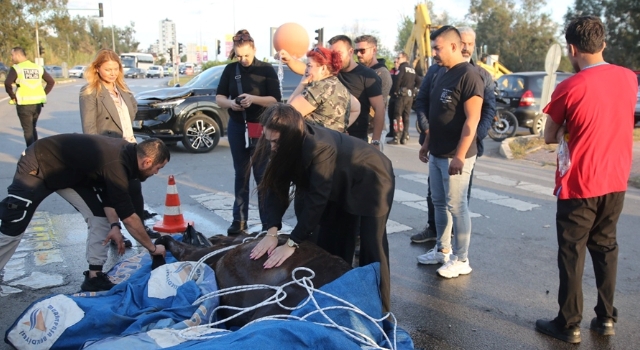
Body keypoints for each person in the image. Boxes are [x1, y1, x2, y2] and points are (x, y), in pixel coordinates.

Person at [534, 16, 637, 344]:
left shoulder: (569, 87)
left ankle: (569, 323)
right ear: (603, 44)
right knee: (606, 248)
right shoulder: (628, 78)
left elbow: (550, 136)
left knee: (572, 253)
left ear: (572, 48)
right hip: (616, 180)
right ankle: (606, 318)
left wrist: (565, 128)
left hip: (580, 183)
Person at [248, 103, 394, 313]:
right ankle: (337, 301)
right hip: (338, 181)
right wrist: (271, 231)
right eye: (268, 140)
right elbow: (274, 188)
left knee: (373, 247)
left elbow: (317, 199)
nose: (271, 147)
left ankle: (381, 311)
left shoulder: (319, 147)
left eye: (275, 142)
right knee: (330, 243)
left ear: (290, 137)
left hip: (371, 178)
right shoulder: (279, 142)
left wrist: (292, 242)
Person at [0, 135, 169, 291]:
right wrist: (152, 248)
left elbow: (110, 197)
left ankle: (94, 278)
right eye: (158, 167)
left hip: (69, 175)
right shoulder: (117, 164)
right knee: (14, 221)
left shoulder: (128, 158)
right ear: (147, 162)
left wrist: (114, 226)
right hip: (39, 163)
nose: (157, 173)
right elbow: (130, 219)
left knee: (99, 218)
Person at [411, 26, 495, 243]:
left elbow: (477, 116)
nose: (434, 53)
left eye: (437, 48)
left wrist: (465, 148)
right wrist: (428, 138)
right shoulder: (439, 72)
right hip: (437, 149)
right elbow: (428, 105)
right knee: (438, 201)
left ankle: (460, 257)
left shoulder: (474, 75)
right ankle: (442, 248)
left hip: (459, 150)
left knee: (457, 205)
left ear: (454, 46)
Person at [79, 49, 161, 248]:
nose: (112, 73)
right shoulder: (90, 92)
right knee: (112, 194)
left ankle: (140, 226)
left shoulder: (123, 89)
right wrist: (96, 155)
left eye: (116, 69)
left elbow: (130, 117)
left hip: (129, 146)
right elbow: (89, 128)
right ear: (97, 69)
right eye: (108, 69)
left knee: (135, 188)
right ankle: (115, 232)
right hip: (107, 149)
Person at [216, 29, 281, 235]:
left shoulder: (266, 70)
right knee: (240, 174)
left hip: (261, 127)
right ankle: (239, 220)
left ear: (254, 49)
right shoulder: (230, 70)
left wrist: (253, 99)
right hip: (238, 126)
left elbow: (275, 99)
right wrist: (232, 104)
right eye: (239, 56)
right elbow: (219, 99)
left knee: (262, 176)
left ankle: (266, 223)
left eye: (246, 55)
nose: (243, 60)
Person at [278, 35, 385, 148]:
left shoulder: (366, 75)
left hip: (353, 139)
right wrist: (289, 60)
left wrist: (375, 141)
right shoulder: (333, 75)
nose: (335, 57)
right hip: (336, 141)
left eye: (338, 53)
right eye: (332, 53)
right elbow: (307, 68)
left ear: (350, 51)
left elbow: (379, 108)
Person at [287, 46, 359, 132]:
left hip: (315, 142)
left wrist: (302, 84)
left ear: (323, 68)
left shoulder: (318, 88)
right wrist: (340, 128)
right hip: (335, 142)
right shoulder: (339, 86)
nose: (306, 70)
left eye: (309, 66)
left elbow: (287, 114)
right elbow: (357, 107)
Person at [4, 47, 55, 147]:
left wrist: (13, 96)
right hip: (37, 104)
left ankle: (31, 155)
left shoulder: (17, 68)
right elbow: (51, 82)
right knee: (32, 128)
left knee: (28, 130)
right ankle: (36, 151)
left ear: (18, 55)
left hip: (24, 104)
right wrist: (43, 94)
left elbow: (7, 83)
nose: (11, 58)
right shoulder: (37, 67)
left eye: (12, 55)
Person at [354, 35, 392, 136]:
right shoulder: (358, 71)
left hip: (371, 131)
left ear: (374, 50)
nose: (358, 54)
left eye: (362, 51)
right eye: (356, 51)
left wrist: (375, 140)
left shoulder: (382, 73)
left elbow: (379, 108)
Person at [387, 51, 419, 145]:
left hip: (401, 96)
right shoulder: (412, 69)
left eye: (399, 58)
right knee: (406, 117)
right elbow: (419, 81)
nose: (397, 60)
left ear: (404, 58)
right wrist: (413, 90)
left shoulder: (402, 68)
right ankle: (404, 137)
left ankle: (396, 137)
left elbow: (398, 80)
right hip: (409, 97)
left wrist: (395, 91)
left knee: (396, 115)